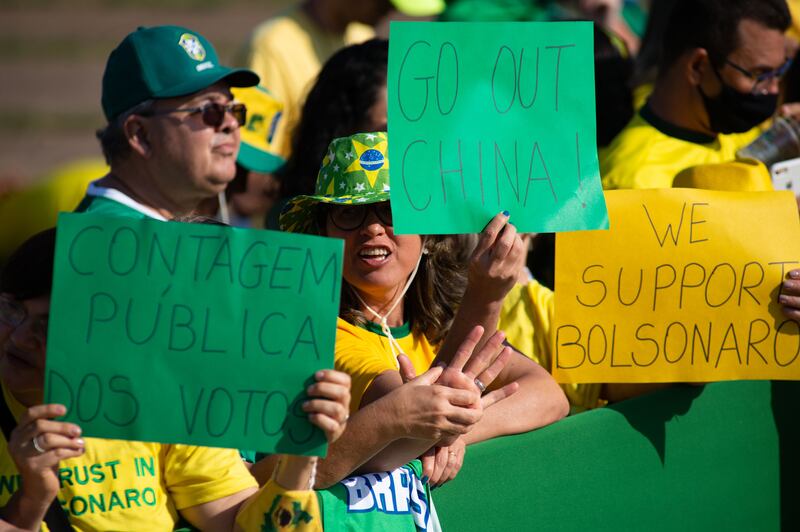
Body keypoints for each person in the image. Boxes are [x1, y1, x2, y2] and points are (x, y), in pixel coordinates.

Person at [0, 228, 350, 531]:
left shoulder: (158, 405)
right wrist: (30, 501)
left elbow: (242, 525)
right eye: (11, 310)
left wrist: (299, 456)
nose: (19, 337)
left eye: (49, 326)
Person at [278, 132, 569, 487]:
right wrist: (486, 296)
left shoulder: (440, 323)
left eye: (391, 211)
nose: (372, 228)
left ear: (428, 237)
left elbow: (549, 396)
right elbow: (416, 416)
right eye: (348, 213)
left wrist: (459, 433)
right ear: (324, 235)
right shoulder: (320, 333)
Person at [600, 0, 792, 190]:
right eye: (760, 75)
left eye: (779, 72)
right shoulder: (634, 183)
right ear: (698, 66)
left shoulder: (734, 130)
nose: (773, 89)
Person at [76, 25, 260, 221]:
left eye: (233, 109)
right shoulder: (104, 234)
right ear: (141, 135)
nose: (231, 123)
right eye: (210, 110)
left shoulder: (158, 228)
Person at [239, 1, 441, 158]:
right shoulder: (272, 48)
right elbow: (255, 164)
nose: (391, 9)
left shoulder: (360, 35)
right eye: (385, 1)